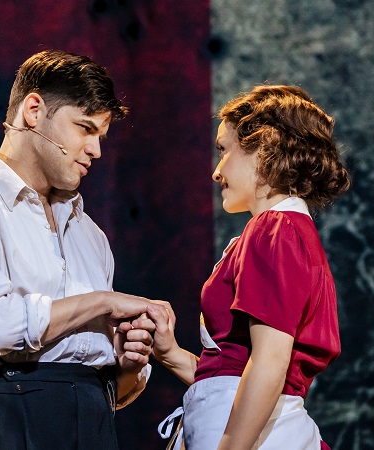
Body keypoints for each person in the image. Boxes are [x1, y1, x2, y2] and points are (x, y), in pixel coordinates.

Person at [0, 50, 165, 450]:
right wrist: (102, 302)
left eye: (100, 136)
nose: (95, 150)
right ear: (33, 110)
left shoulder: (91, 235)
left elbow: (106, 386)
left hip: (92, 422)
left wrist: (128, 364)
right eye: (84, 128)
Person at [146, 85, 351, 450]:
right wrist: (170, 354)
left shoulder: (276, 228)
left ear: (265, 146)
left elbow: (271, 362)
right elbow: (234, 372)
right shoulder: (282, 233)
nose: (216, 171)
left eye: (223, 151)